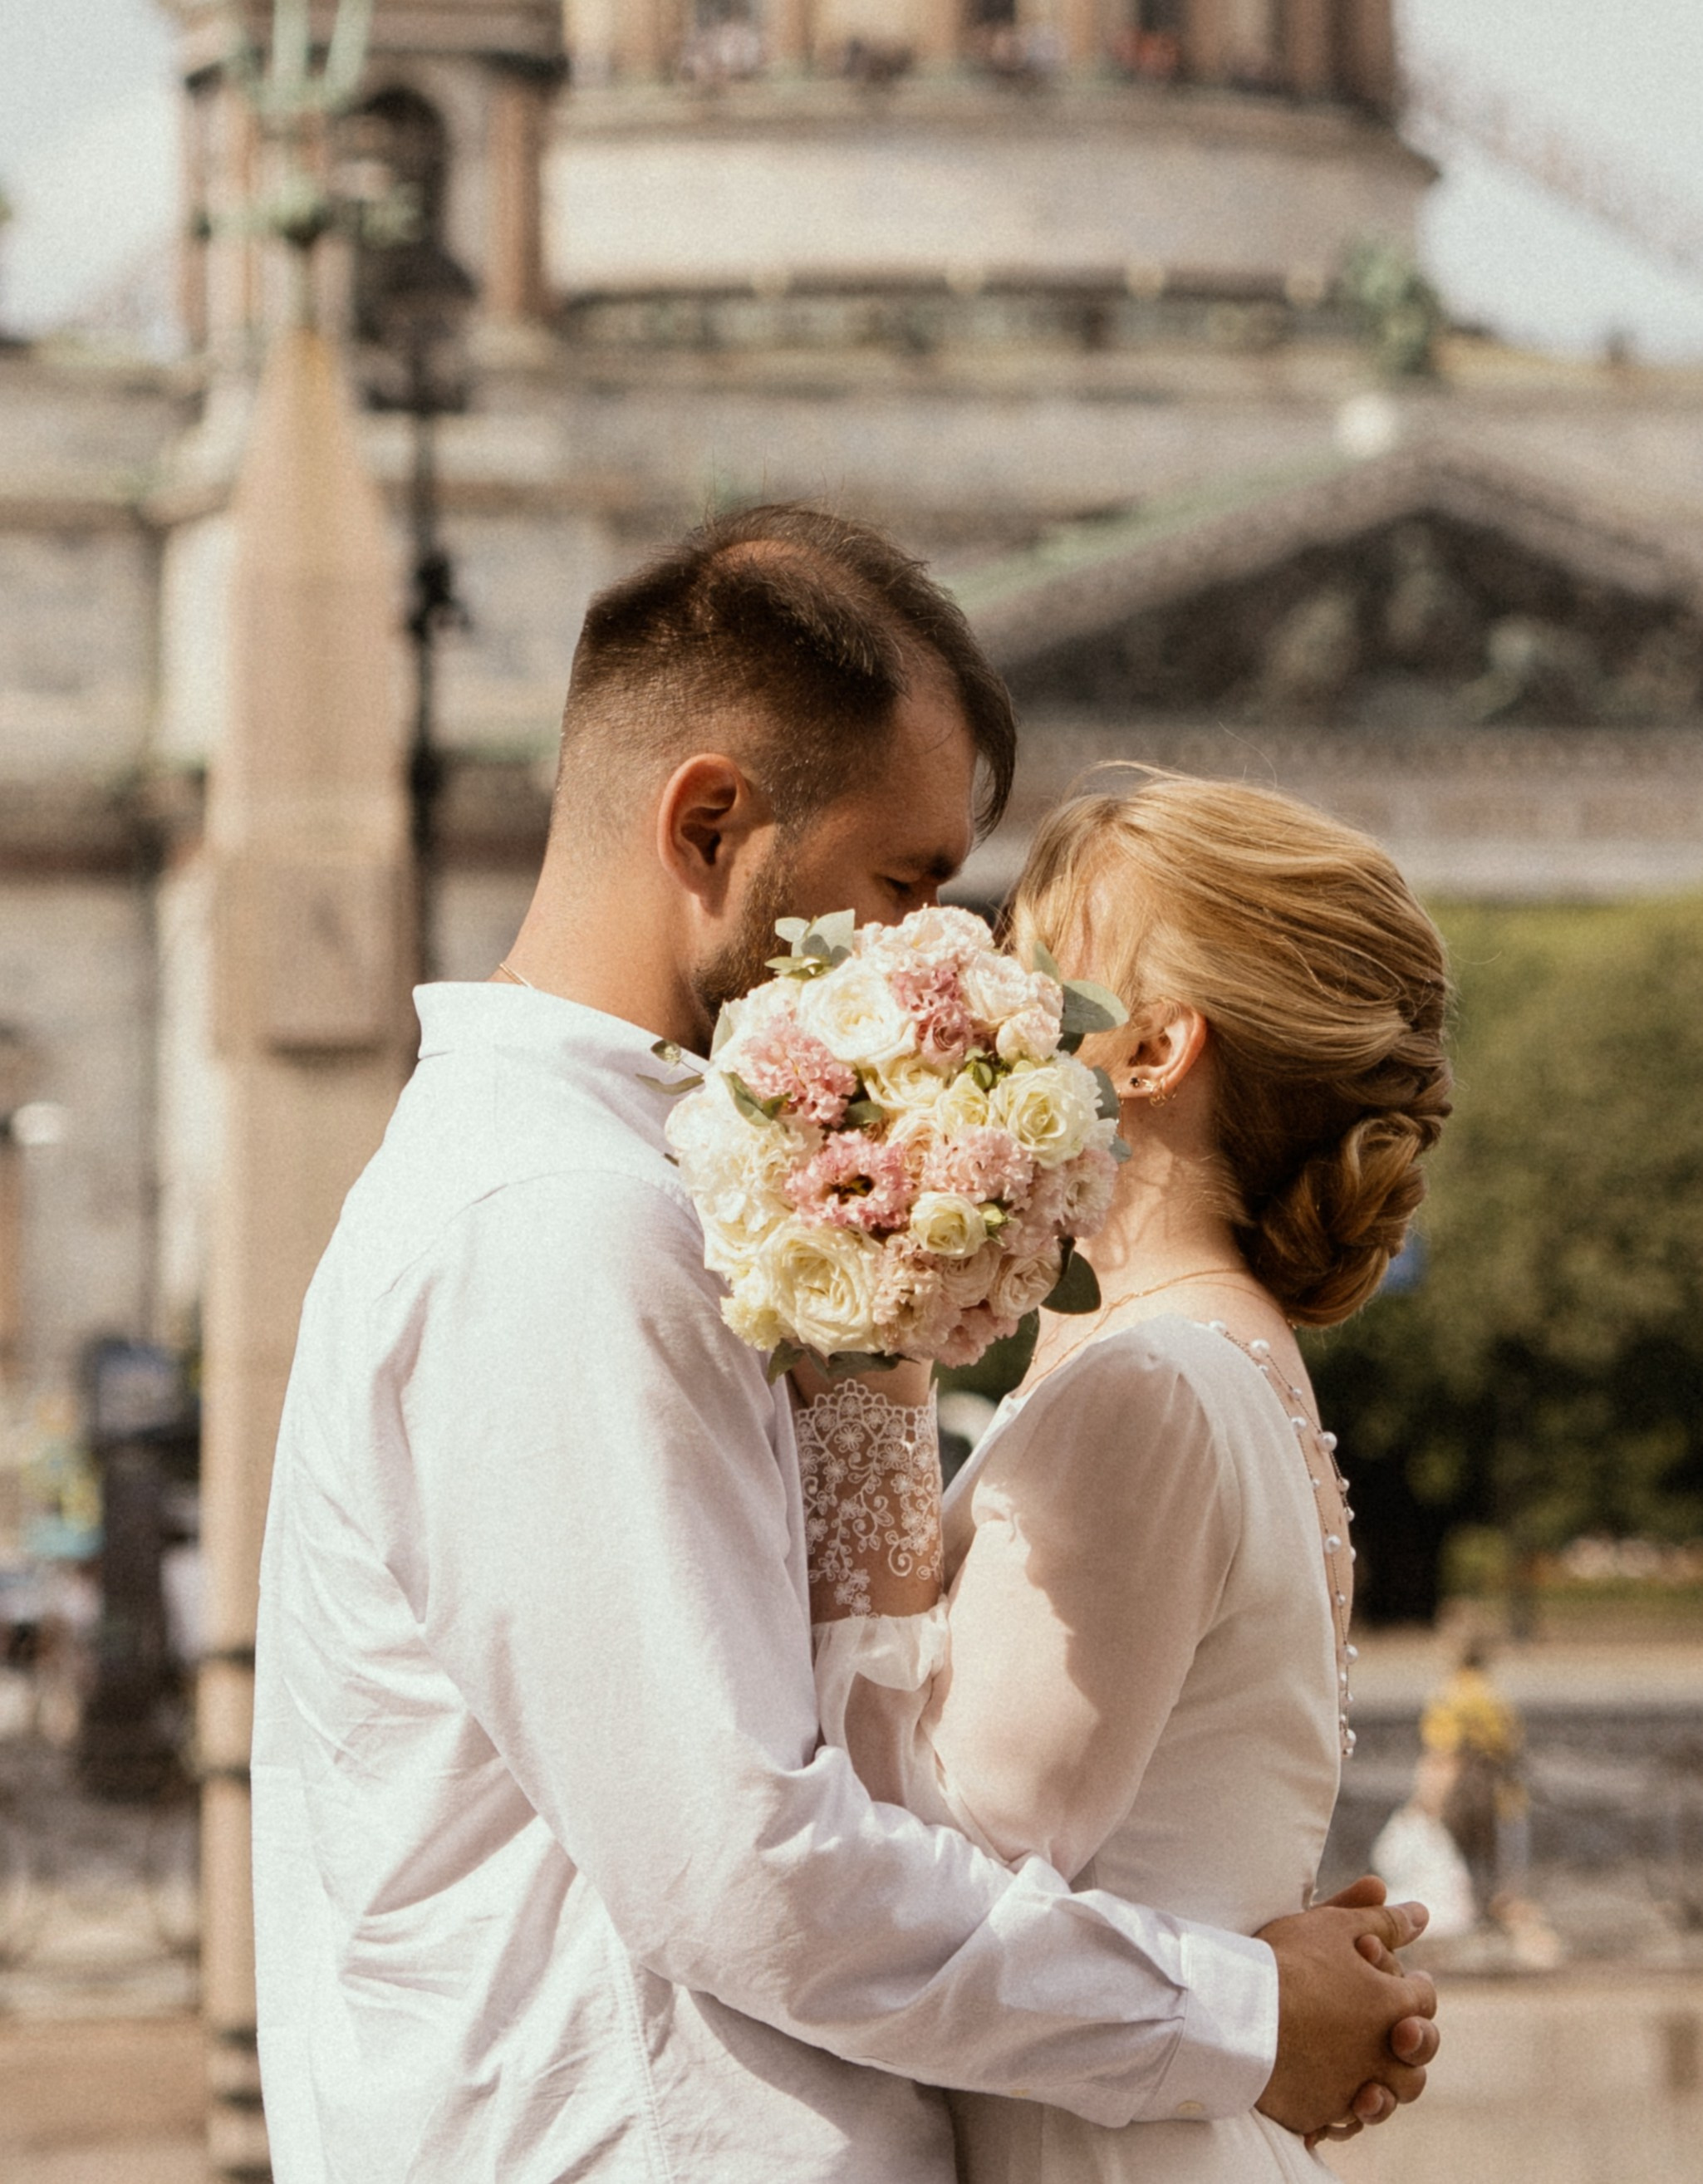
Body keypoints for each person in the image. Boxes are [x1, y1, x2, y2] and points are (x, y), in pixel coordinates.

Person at [251, 511, 1438, 2183]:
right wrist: (1238, 2012)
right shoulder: (566, 1223)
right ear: (710, 824)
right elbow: (743, 1861)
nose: (928, 963)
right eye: (904, 883)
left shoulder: (641, 1196)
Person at [806, 772, 1455, 2180]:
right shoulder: (1208, 1359)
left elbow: (935, 1863)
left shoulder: (1153, 1383)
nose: (985, 999)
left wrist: (866, 1382)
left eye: (1038, 967)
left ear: (1154, 1047)